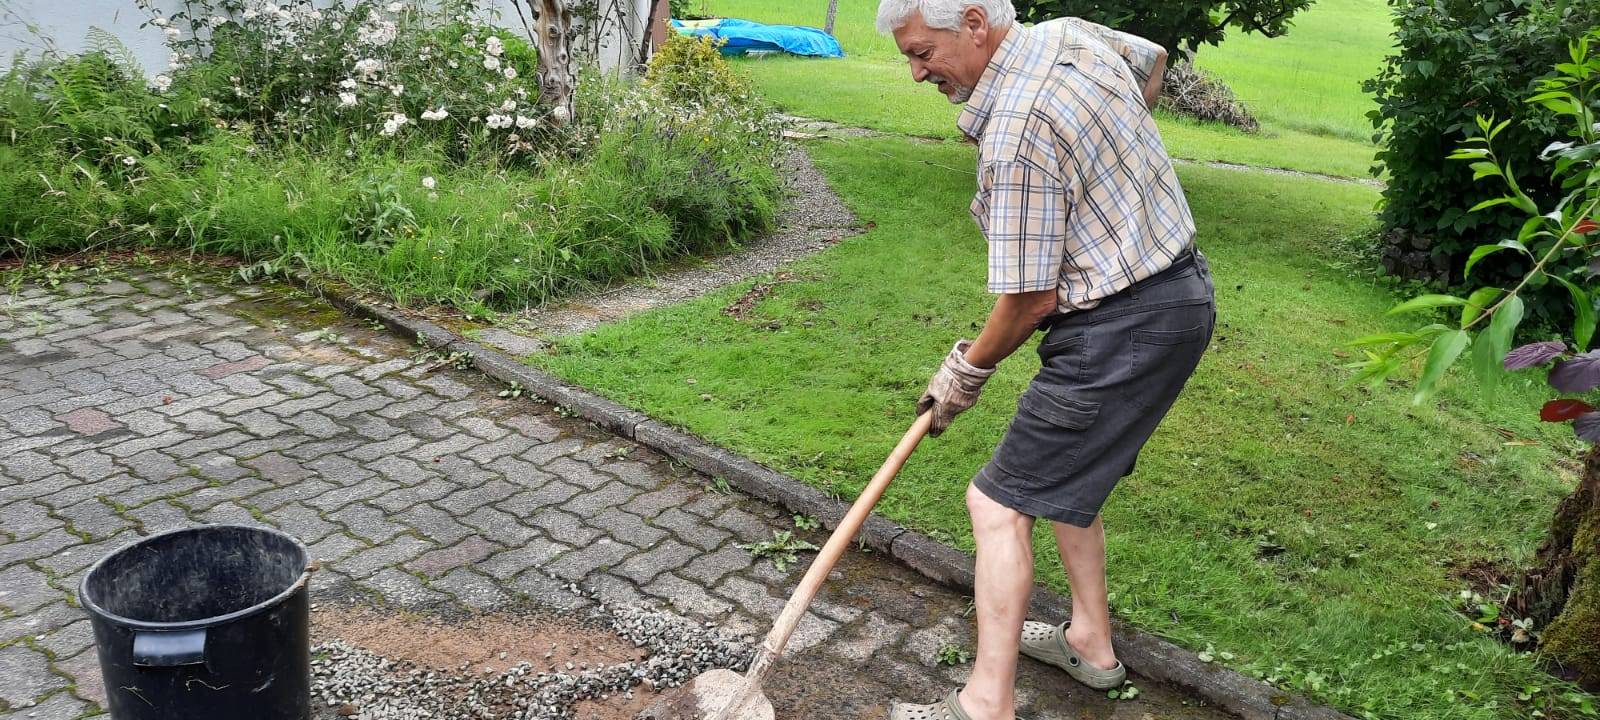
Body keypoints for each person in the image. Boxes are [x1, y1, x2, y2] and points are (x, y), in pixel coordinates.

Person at [875, 1, 1216, 718]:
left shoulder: (1019, 132)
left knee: (996, 505)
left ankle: (984, 703)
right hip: (1178, 294)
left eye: (922, 52)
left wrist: (963, 374)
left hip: (1122, 328)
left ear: (972, 22)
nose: (915, 73)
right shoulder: (1067, 34)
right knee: (1068, 479)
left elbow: (1029, 301)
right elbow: (1151, 63)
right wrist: (1109, 179)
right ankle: (1091, 643)